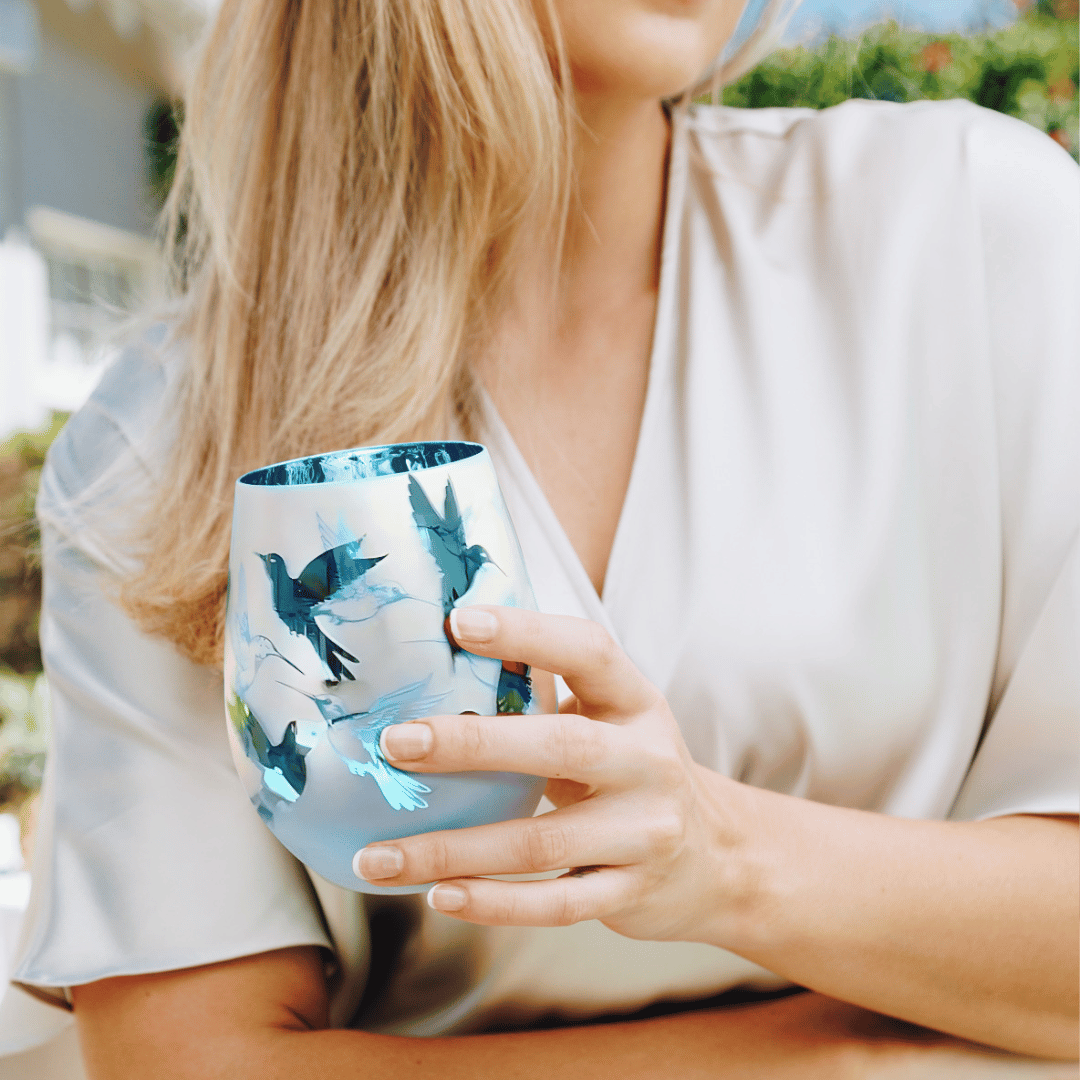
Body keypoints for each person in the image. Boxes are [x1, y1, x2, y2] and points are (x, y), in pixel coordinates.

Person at [10, 0, 1079, 1075]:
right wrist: (867, 1050)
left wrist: (726, 858)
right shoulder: (162, 443)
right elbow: (190, 1062)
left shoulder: (965, 227)